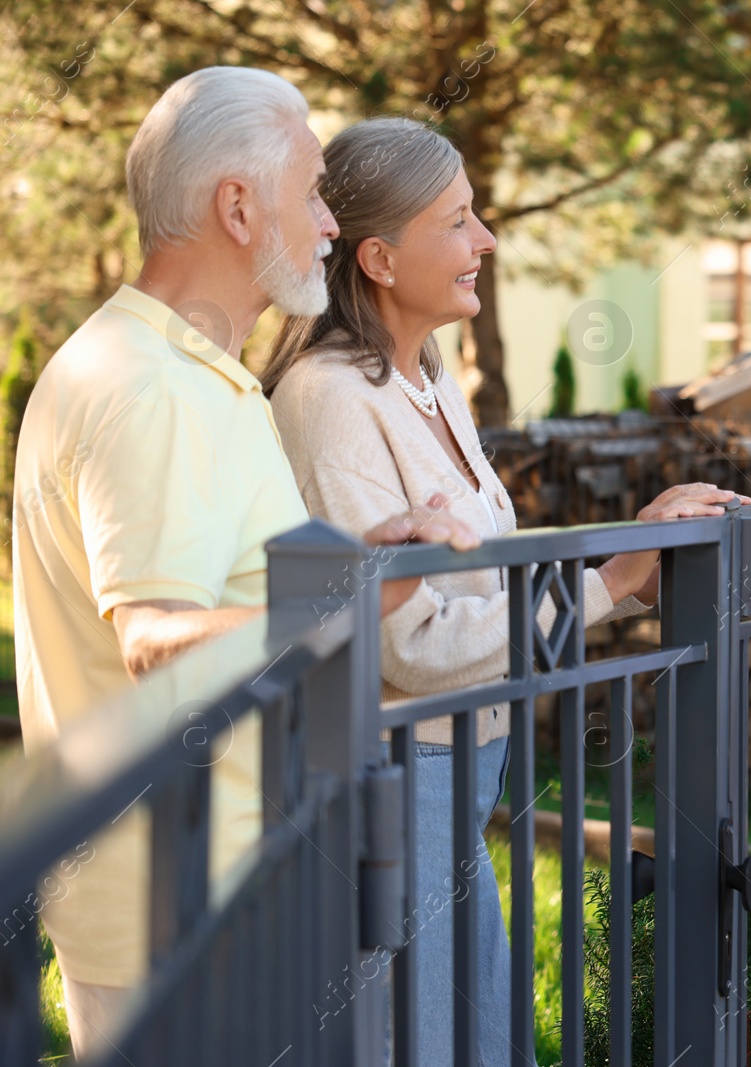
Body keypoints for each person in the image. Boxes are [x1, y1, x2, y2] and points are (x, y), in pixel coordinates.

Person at [12, 68, 482, 1059]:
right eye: (312, 192)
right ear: (237, 207)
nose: (326, 223)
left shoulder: (187, 372)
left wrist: (358, 558)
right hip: (183, 912)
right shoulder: (150, 391)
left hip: (224, 889)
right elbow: (153, 641)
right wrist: (355, 595)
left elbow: (220, 587)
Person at [260, 116, 746, 1067]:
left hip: (455, 784)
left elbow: (489, 579)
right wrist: (610, 582)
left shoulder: (426, 381)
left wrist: (637, 548)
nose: (485, 239)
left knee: (480, 1037)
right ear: (380, 259)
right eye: (460, 220)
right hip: (390, 786)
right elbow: (412, 639)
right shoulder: (328, 399)